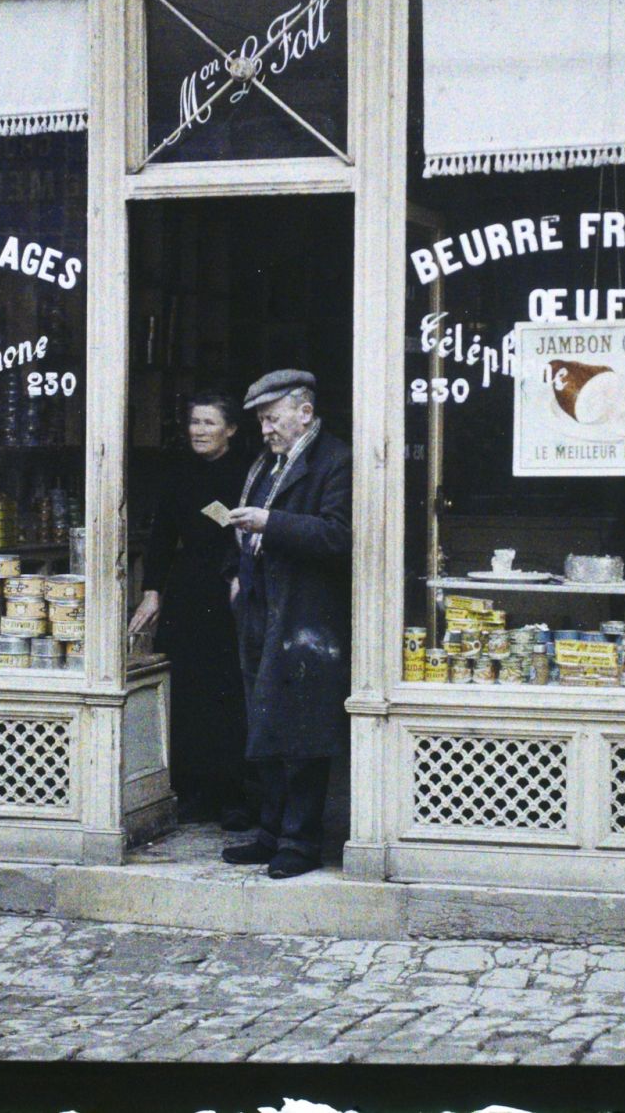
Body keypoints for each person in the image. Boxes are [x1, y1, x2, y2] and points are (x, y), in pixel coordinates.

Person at [221, 369, 352, 880]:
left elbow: (340, 535)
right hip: (261, 610)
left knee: (301, 729)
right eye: (260, 421)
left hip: (306, 620)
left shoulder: (335, 460)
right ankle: (271, 833)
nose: (266, 430)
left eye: (272, 419)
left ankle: (301, 841)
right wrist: (235, 573)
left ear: (305, 412)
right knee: (266, 724)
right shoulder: (266, 464)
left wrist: (269, 524)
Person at [128, 391, 255, 828]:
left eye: (209, 423)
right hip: (187, 591)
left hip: (231, 590)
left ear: (232, 430)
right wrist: (151, 591)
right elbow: (162, 535)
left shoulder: (248, 473)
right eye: (194, 423)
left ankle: (234, 794)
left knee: (228, 692)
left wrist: (241, 578)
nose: (198, 431)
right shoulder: (178, 474)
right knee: (185, 689)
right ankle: (190, 789)